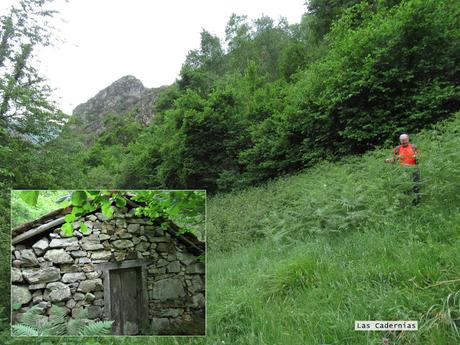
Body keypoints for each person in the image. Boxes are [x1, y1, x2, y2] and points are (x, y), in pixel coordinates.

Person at [385, 134, 421, 205]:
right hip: (402, 170)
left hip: (414, 169)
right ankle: (405, 202)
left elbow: (420, 156)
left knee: (415, 185)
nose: (404, 142)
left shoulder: (414, 147)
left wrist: (417, 156)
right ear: (400, 141)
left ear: (408, 139)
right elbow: (393, 159)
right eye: (402, 141)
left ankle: (416, 203)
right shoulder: (397, 149)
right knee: (404, 186)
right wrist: (389, 160)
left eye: (405, 140)